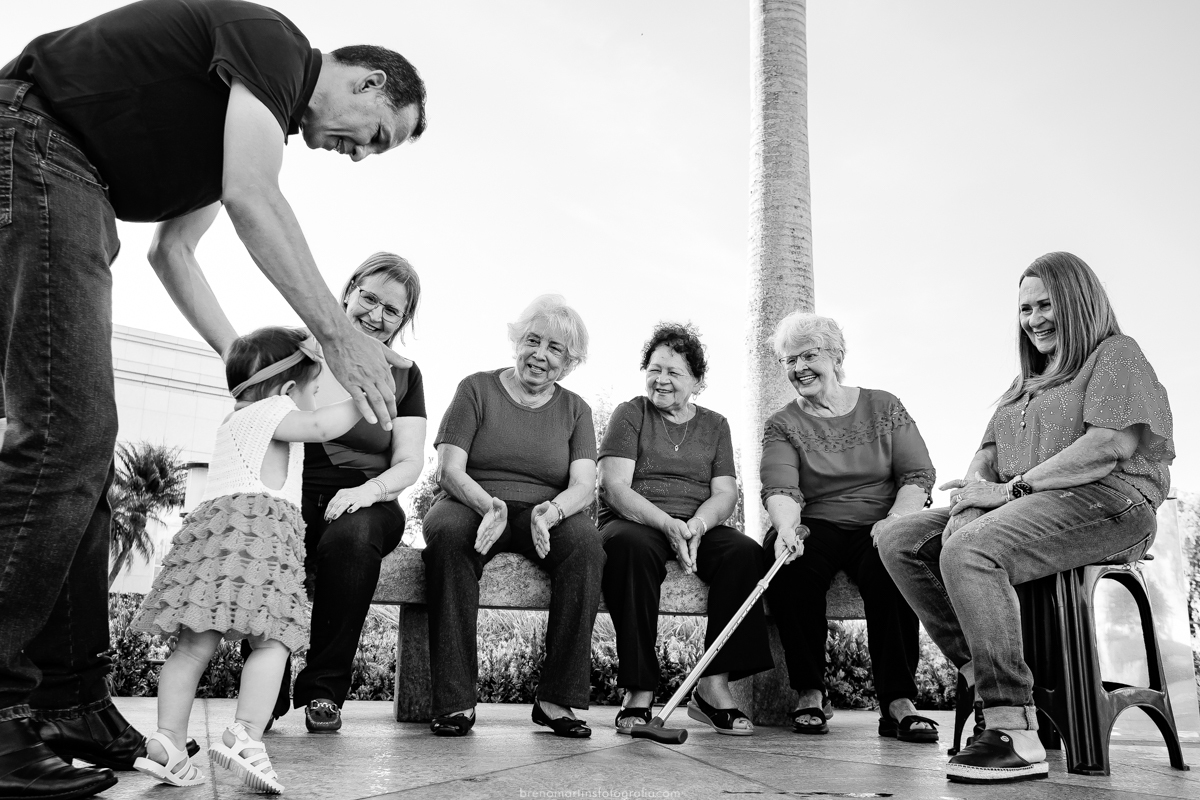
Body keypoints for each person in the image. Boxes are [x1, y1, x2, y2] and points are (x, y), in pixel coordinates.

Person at [0, 1, 426, 795]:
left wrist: (252, 370)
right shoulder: (277, 46)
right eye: (378, 135)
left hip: (68, 176)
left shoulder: (240, 114)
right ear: (368, 81)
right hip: (37, 146)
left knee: (79, 453)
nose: (363, 155)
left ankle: (70, 698)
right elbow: (252, 196)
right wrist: (331, 335)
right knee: (63, 437)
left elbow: (173, 252)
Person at [878, 252, 1172, 784]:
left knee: (971, 549)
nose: (1034, 319)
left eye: (1046, 305)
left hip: (1110, 501)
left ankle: (1015, 727)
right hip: (1021, 505)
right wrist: (973, 494)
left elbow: (1109, 445)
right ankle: (980, 670)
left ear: (1078, 303)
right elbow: (985, 453)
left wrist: (1009, 490)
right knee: (899, 537)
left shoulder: (1116, 354)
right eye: (1025, 309)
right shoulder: (1023, 385)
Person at [130, 327, 364, 793]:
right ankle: (246, 736)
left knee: (192, 648)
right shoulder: (275, 410)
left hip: (211, 540)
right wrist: (367, 395)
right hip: (259, 539)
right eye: (313, 388)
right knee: (273, 641)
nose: (315, 398)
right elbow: (322, 428)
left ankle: (167, 743)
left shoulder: (233, 421)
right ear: (285, 390)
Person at [422, 296, 605, 738]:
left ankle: (555, 699)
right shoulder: (476, 388)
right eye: (532, 340)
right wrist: (490, 506)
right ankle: (455, 701)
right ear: (516, 342)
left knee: (587, 547)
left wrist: (554, 512)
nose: (540, 355)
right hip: (474, 502)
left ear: (570, 361)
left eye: (555, 349)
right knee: (448, 537)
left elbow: (584, 484)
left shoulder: (575, 409)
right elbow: (450, 468)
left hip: (545, 511)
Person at [262, 253, 427, 733]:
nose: (376, 316)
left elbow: (410, 461)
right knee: (276, 538)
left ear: (403, 320)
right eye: (370, 299)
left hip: (369, 499)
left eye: (391, 310)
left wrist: (368, 491)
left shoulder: (405, 374)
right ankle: (265, 690)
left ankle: (324, 692)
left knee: (351, 542)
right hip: (290, 491)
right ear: (349, 289)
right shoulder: (295, 350)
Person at [760, 312, 937, 741]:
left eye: (808, 355)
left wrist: (895, 523)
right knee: (789, 566)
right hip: (814, 522)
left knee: (892, 566)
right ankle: (810, 692)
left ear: (836, 356)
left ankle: (898, 701)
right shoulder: (783, 423)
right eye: (789, 360)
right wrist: (786, 527)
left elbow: (916, 475)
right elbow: (781, 485)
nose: (799, 367)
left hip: (880, 520)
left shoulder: (884, 406)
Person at [599, 323, 772, 736]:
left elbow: (726, 493)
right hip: (634, 520)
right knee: (632, 550)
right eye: (655, 369)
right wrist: (665, 523)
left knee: (744, 553)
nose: (661, 380)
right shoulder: (631, 413)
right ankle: (639, 691)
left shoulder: (715, 425)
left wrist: (696, 523)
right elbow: (613, 485)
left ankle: (712, 685)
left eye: (674, 373)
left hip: (697, 525)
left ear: (697, 381)